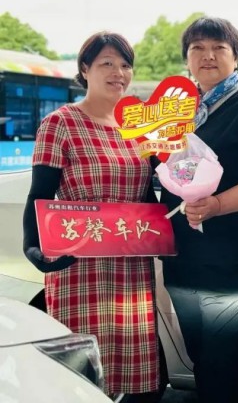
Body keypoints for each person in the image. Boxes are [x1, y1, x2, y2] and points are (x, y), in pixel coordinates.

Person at [22, 32, 161, 400]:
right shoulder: (60, 123)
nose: (119, 73)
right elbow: (39, 194)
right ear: (85, 69)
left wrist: (169, 231)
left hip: (130, 266)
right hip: (78, 264)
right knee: (79, 375)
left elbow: (146, 196)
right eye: (107, 64)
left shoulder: (139, 127)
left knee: (132, 374)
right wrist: (32, 245)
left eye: (125, 65)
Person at [160, 16, 238, 403]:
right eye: (197, 48)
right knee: (200, 355)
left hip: (233, 259)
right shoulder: (178, 112)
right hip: (184, 256)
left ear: (236, 57)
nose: (208, 55)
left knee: (223, 361)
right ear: (187, 59)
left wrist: (217, 205)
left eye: (219, 48)